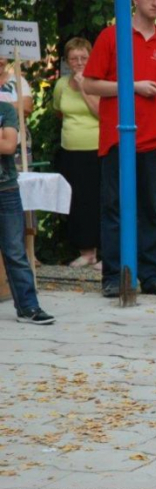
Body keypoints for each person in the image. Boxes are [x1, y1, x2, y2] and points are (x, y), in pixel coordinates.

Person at [83, 0, 156, 298]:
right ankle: (114, 277)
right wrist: (132, 85)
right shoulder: (111, 36)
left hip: (153, 142)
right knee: (114, 207)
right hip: (117, 140)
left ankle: (152, 276)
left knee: (149, 209)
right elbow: (90, 85)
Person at [0, 101, 55, 324]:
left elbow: (9, 146)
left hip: (6, 189)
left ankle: (28, 306)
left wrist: (5, 140)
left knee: (15, 250)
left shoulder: (5, 110)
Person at [53, 37, 102, 270]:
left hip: (95, 150)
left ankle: (100, 253)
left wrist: (84, 87)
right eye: (74, 58)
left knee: (95, 200)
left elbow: (101, 113)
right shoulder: (61, 84)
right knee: (75, 201)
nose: (79, 62)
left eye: (84, 57)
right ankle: (85, 252)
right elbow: (59, 112)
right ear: (67, 61)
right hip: (69, 151)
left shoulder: (98, 82)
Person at [0, 57, 34, 169]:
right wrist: (15, 105)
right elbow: (20, 107)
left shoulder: (18, 81)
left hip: (19, 147)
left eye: (2, 57)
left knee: (21, 184)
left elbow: (27, 108)